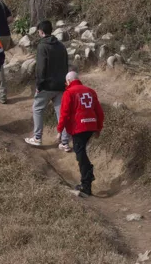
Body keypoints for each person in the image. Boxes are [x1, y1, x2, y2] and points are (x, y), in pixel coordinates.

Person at [26, 20, 71, 151]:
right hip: (61, 85)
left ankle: (37, 138)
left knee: (38, 109)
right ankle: (64, 142)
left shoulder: (42, 46)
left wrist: (39, 85)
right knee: (62, 114)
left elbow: (41, 68)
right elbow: (66, 65)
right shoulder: (61, 46)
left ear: (41, 32)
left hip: (46, 85)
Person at [58, 71, 104, 197]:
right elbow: (99, 112)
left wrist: (59, 129)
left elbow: (65, 113)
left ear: (68, 81)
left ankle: (86, 182)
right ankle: (87, 177)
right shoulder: (90, 91)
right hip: (91, 126)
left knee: (80, 153)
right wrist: (98, 128)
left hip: (79, 127)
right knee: (81, 151)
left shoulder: (69, 93)